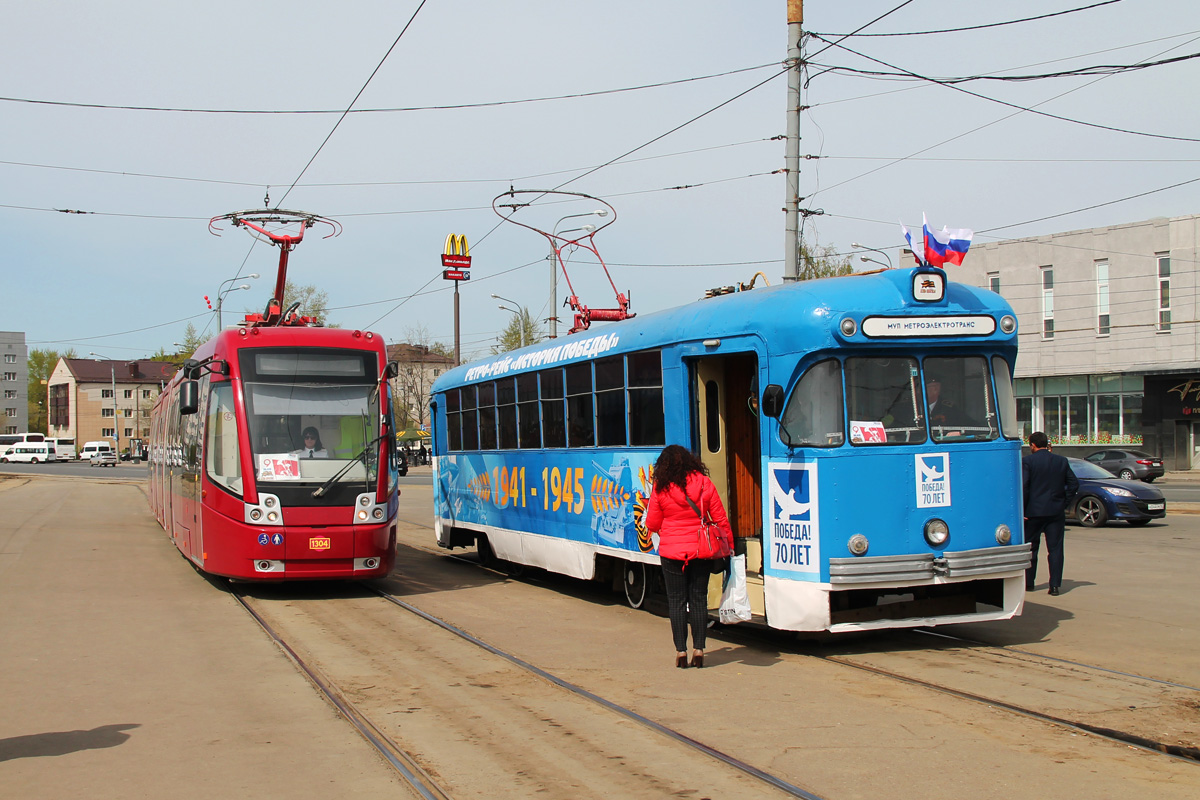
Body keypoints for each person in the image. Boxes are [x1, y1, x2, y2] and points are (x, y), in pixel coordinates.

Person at [644, 444, 734, 669]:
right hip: (701, 551)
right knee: (698, 600)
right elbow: (720, 518)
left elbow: (652, 523)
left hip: (672, 553)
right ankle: (699, 650)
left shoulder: (660, 487)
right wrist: (729, 546)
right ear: (690, 461)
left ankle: (681, 652)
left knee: (676, 602)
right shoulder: (704, 483)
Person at [1023, 431, 1078, 596]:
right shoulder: (1061, 461)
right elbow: (1073, 484)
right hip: (1055, 512)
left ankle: (1029, 583)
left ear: (1032, 445)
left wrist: (1024, 510)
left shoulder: (1028, 461)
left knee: (1031, 548)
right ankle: (1054, 586)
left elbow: (1024, 487)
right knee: (1055, 549)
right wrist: (1064, 503)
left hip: (1033, 513)